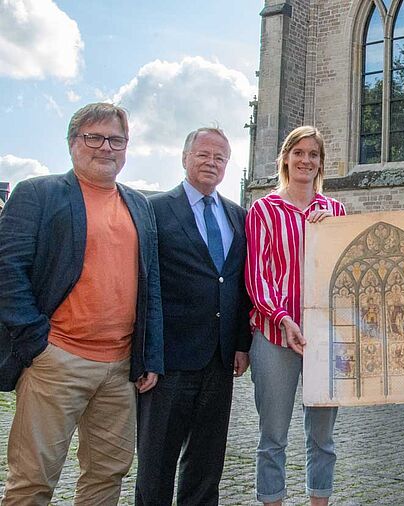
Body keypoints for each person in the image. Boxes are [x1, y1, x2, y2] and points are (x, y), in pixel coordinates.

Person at [0, 102, 163, 505]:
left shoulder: (138, 205)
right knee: (33, 480)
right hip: (57, 361)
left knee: (107, 477)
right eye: (95, 137)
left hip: (120, 368)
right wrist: (36, 341)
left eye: (116, 140)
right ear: (74, 143)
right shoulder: (38, 194)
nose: (106, 147)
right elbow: (6, 269)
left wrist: (149, 356)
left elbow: (150, 284)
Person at [135, 127, 252, 505]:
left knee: (206, 466)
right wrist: (146, 355)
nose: (211, 163)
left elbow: (237, 284)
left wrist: (240, 344)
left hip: (219, 363)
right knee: (157, 465)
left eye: (220, 158)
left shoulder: (237, 215)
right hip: (169, 361)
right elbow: (144, 284)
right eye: (203, 154)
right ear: (185, 158)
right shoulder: (154, 209)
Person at [245, 125, 345, 506]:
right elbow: (258, 274)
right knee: (273, 435)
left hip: (324, 338)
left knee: (323, 435)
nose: (306, 160)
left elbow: (345, 269)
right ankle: (272, 500)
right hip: (274, 335)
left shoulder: (334, 210)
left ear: (321, 163)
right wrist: (281, 317)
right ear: (285, 158)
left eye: (313, 155)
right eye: (299, 153)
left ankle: (319, 500)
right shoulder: (264, 209)